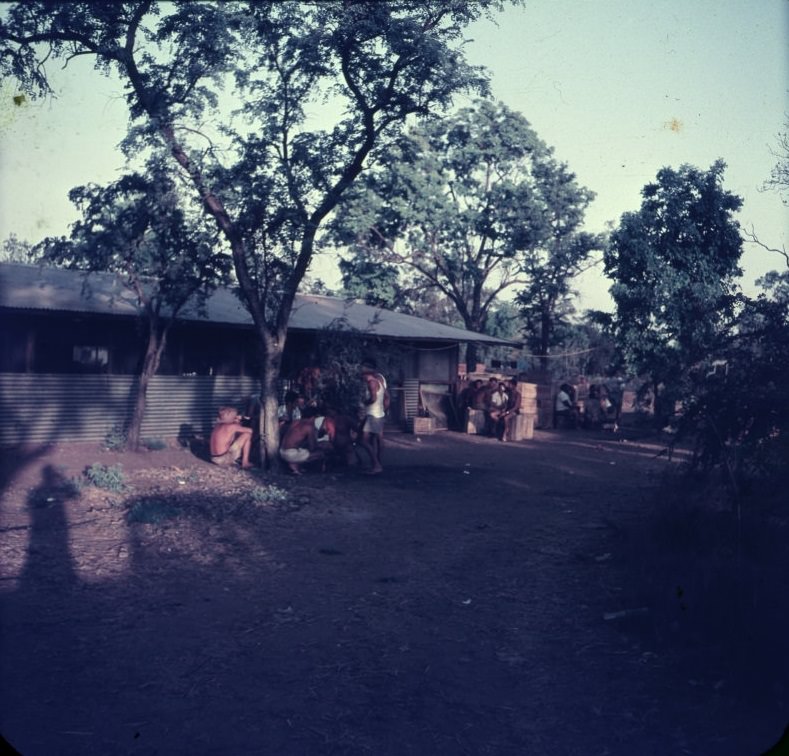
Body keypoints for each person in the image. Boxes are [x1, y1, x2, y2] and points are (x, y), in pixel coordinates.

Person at [360, 363, 388, 473]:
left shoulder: (371, 383)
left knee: (363, 440)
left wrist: (364, 403)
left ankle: (376, 464)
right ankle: (377, 464)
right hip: (378, 414)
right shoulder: (379, 381)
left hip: (373, 415)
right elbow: (386, 396)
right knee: (376, 440)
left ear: (366, 375)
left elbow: (373, 399)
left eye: (362, 375)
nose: (362, 378)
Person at [279, 410, 325, 475]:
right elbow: (312, 447)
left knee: (302, 449)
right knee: (320, 453)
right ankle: (295, 464)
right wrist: (321, 444)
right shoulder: (309, 426)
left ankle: (294, 466)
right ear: (313, 418)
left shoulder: (295, 422)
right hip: (290, 455)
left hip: (281, 451)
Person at [498, 377, 522, 441]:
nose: (509, 386)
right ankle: (497, 432)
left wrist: (507, 412)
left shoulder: (518, 394)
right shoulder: (509, 393)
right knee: (497, 415)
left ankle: (506, 433)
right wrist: (503, 410)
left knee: (506, 418)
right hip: (507, 409)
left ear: (514, 386)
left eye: (510, 384)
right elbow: (506, 403)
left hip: (514, 411)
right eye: (509, 384)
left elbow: (516, 406)